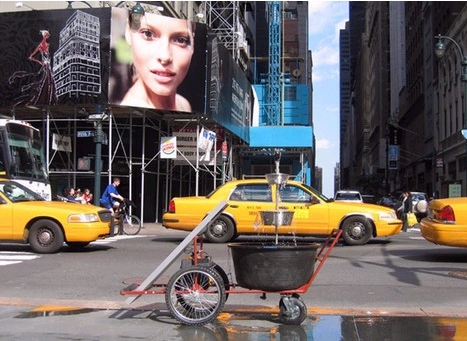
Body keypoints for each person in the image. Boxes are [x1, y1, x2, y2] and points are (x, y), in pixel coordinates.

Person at [120, 11, 195, 111]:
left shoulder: (183, 104)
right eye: (148, 34)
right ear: (128, 34)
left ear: (193, 45)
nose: (165, 57)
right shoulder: (133, 112)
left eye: (181, 40)